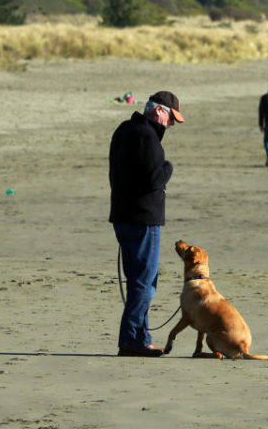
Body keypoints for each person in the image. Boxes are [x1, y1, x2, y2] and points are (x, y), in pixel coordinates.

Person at [109, 90, 183, 357]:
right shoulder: (147, 137)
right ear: (159, 111)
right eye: (171, 118)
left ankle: (141, 337)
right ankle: (131, 339)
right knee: (144, 283)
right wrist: (169, 167)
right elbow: (155, 179)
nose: (172, 124)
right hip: (142, 220)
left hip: (123, 216)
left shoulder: (124, 130)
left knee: (138, 281)